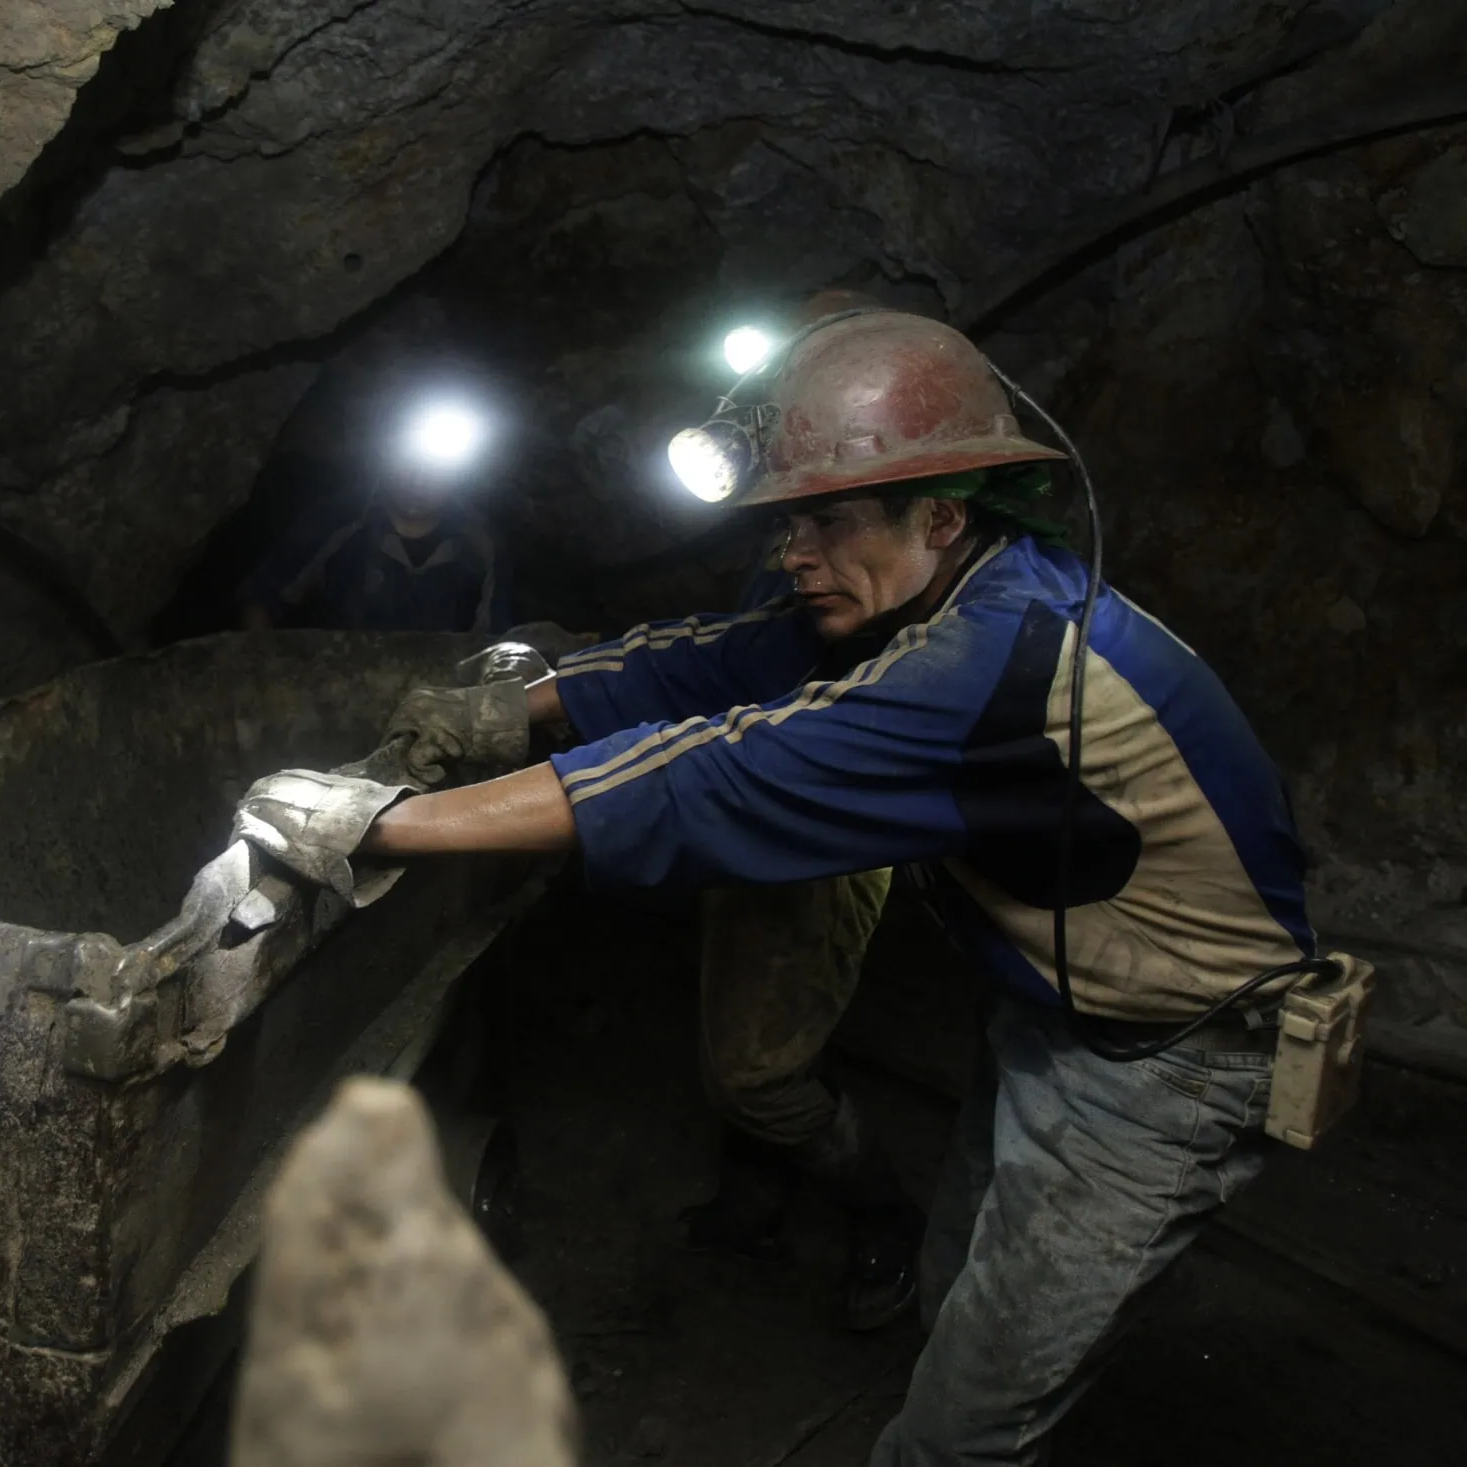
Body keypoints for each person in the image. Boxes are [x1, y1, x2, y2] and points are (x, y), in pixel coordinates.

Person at [232, 309, 1341, 1465]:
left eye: (824, 517)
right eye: (786, 520)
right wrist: (524, 701)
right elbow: (718, 653)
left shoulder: (996, 665)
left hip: (1172, 1063)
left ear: (943, 515)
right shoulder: (954, 593)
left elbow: (721, 774)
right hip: (1053, 1015)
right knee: (954, 1291)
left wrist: (395, 825)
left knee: (968, 1422)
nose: (791, 552)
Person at [237, 419, 511, 635]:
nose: (419, 480)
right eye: (409, 465)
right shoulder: (343, 518)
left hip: (439, 691)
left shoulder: (478, 540)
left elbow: (497, 639)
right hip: (338, 681)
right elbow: (262, 597)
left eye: (436, 471)